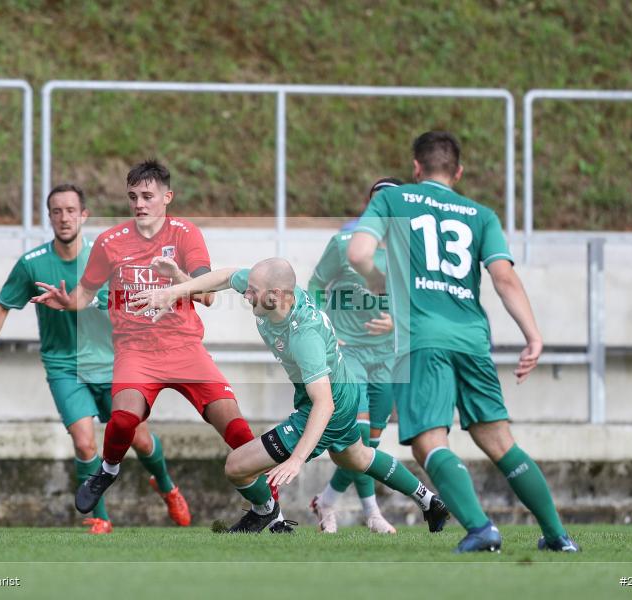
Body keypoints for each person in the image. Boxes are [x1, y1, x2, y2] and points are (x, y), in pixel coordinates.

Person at [347, 131, 579, 553]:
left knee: (428, 440)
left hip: (422, 339)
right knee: (499, 440)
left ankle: (480, 528)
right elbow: (504, 277)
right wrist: (534, 335)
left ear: (416, 168)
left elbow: (359, 254)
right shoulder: (481, 214)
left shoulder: (393, 200)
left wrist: (390, 286)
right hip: (473, 338)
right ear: (458, 171)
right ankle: (558, 536)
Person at [31, 161, 287, 534]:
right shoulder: (110, 241)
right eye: (133, 196)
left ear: (167, 198)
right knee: (123, 420)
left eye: (148, 196)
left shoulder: (185, 234)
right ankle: (108, 471)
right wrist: (66, 301)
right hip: (136, 351)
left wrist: (177, 280)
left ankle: (268, 510)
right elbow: (86, 293)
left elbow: (208, 296)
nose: (139, 204)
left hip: (185, 349)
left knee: (237, 431)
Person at [129, 258, 450, 535]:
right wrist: (173, 290)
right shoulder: (271, 292)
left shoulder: (303, 336)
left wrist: (297, 459)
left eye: (253, 291)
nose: (246, 294)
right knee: (357, 457)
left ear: (278, 295)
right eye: (249, 287)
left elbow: (323, 404)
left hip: (329, 405)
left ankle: (264, 510)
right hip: (342, 390)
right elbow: (227, 275)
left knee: (236, 466)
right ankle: (429, 500)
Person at [0, 183, 190, 535]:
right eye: (56, 211)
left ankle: (166, 487)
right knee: (86, 441)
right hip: (63, 367)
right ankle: (99, 518)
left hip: (112, 362)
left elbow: (137, 299)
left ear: (83, 215)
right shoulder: (32, 264)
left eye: (71, 210)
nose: (64, 217)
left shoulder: (108, 257)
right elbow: (1, 305)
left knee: (140, 439)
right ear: (49, 217)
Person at [308, 177, 407, 534]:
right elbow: (317, 286)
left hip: (387, 358)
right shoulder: (345, 244)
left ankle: (326, 501)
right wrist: (323, 329)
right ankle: (372, 513)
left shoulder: (409, 252)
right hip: (347, 353)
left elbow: (421, 304)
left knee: (370, 444)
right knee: (360, 435)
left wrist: (397, 322)